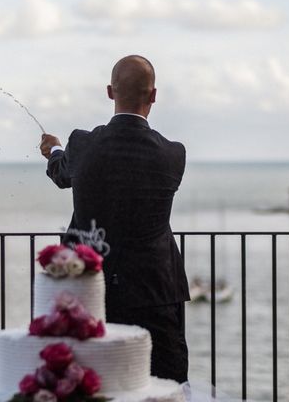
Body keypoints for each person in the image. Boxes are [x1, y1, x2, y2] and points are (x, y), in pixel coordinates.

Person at [39, 54, 190, 383]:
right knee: (165, 382)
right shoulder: (173, 154)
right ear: (153, 95)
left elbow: (61, 173)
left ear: (110, 92)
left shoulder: (81, 144)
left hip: (93, 289)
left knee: (93, 382)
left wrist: (54, 150)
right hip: (156, 291)